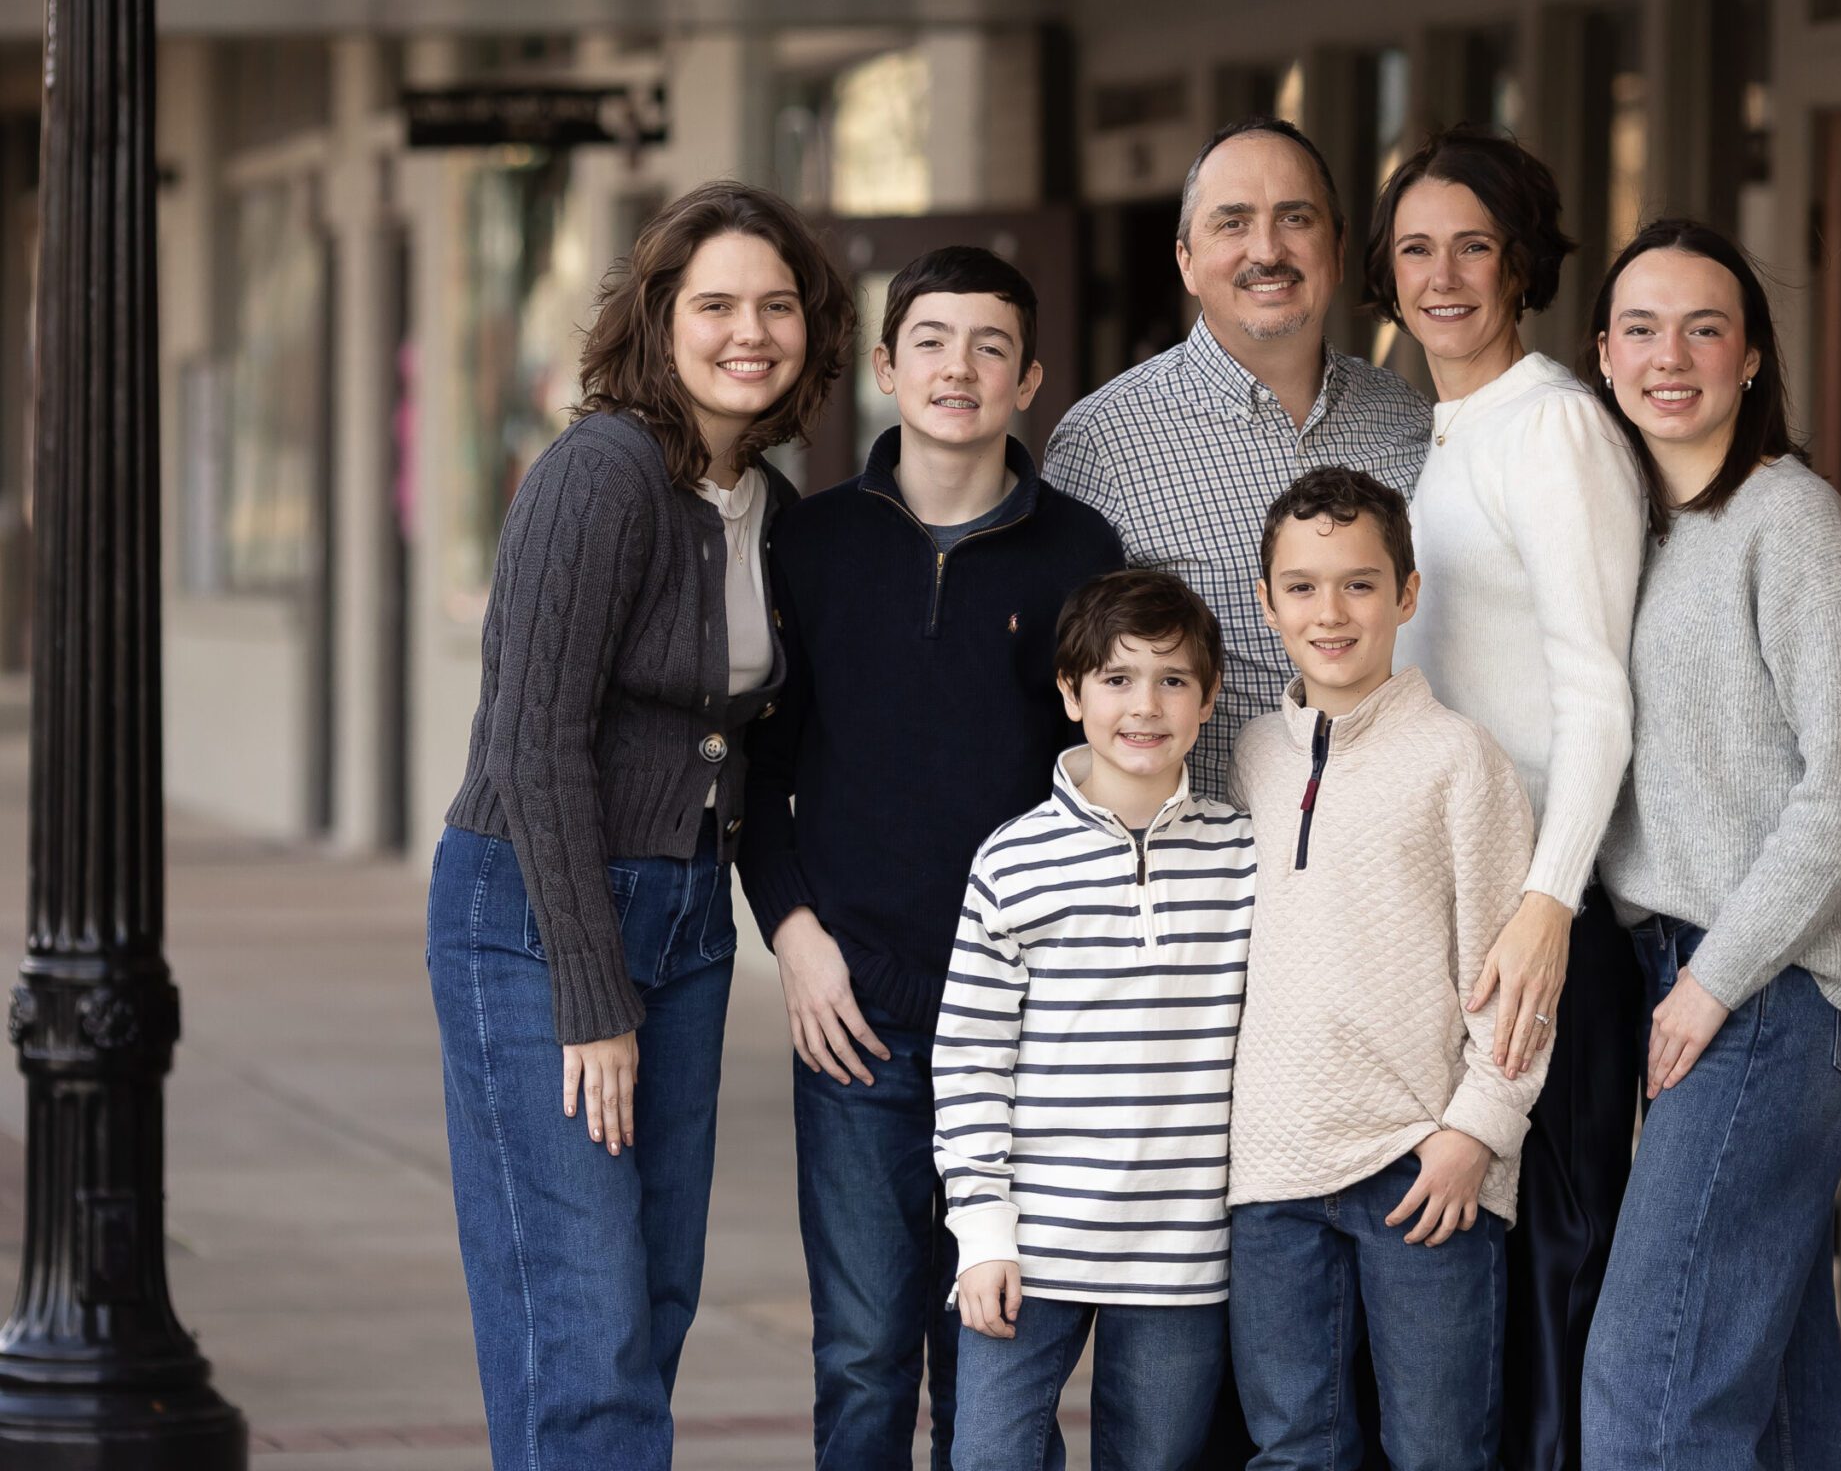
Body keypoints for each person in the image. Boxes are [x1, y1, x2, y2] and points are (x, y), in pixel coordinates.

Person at [426, 179, 854, 1471]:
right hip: (541, 917)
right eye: (716, 302)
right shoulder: (599, 474)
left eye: (776, 305)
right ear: (658, 319)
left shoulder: (766, 507)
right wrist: (590, 993)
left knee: (646, 1311)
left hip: (686, 919)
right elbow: (532, 744)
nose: (749, 331)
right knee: (588, 1329)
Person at [737, 245, 1124, 1471]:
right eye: (935, 341)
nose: (960, 367)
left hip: (1023, 1024)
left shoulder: (1079, 551)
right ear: (891, 365)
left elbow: (1103, 772)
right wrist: (796, 937)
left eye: (992, 346)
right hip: (857, 1017)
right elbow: (757, 774)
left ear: (1030, 380)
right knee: (859, 1353)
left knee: (993, 1359)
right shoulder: (811, 546)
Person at [1576, 220, 1841, 1469]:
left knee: (1649, 1381)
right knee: (1767, 1380)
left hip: (1769, 981)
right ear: (1603, 355)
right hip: (1686, 968)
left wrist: (1715, 977)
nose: (1673, 356)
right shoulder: (1640, 530)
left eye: (1705, 328)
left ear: (1752, 356)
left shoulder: (1791, 522)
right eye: (1643, 329)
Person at [1370, 126, 1647, 1468]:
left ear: (1521, 261)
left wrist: (1550, 903)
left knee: (1557, 1264)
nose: (1442, 275)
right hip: (1461, 916)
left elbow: (1600, 693)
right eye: (1416, 248)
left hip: (1547, 929)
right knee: (1475, 1272)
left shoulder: (1555, 427)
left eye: (1471, 245)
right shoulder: (1440, 430)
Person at [1225, 466, 1549, 1471]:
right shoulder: (1247, 757)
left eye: (1360, 583)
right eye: (1305, 585)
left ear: (1407, 594)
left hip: (1423, 1168)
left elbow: (1517, 983)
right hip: (1268, 1177)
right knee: (1292, 1449)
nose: (1332, 611)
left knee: (1438, 1451)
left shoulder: (1461, 759)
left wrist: (1477, 1133)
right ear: (1267, 600)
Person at [933, 568, 1254, 1471]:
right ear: (1072, 694)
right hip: (1032, 1241)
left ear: (1209, 696)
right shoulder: (1014, 859)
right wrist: (982, 1229)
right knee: (989, 1457)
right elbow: (968, 1058)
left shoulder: (1243, 853)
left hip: (1183, 1254)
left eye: (1173, 679)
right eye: (1116, 679)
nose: (1144, 706)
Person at [1044, 116, 1433, 799]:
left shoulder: (1407, 419)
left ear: (1338, 251)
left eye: (1295, 219)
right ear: (1186, 261)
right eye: (1232, 223)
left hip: (1391, 853)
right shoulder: (1103, 441)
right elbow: (1070, 692)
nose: (1267, 249)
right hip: (1203, 879)